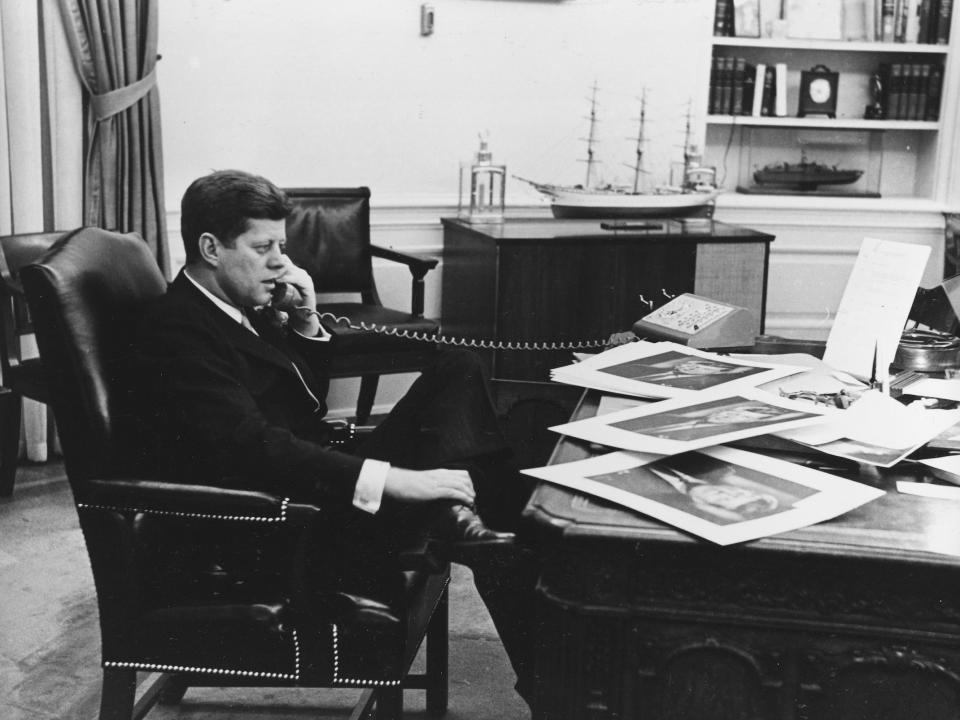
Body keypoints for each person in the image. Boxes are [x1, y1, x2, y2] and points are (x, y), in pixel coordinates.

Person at [133, 169, 538, 704]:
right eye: (264, 247)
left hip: (312, 482)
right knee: (505, 501)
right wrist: (394, 481)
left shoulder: (235, 306)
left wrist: (303, 324)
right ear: (210, 247)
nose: (281, 261)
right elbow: (253, 444)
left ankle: (464, 526)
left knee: (459, 367)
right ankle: (547, 680)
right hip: (279, 522)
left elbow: (298, 407)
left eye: (282, 244)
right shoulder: (179, 329)